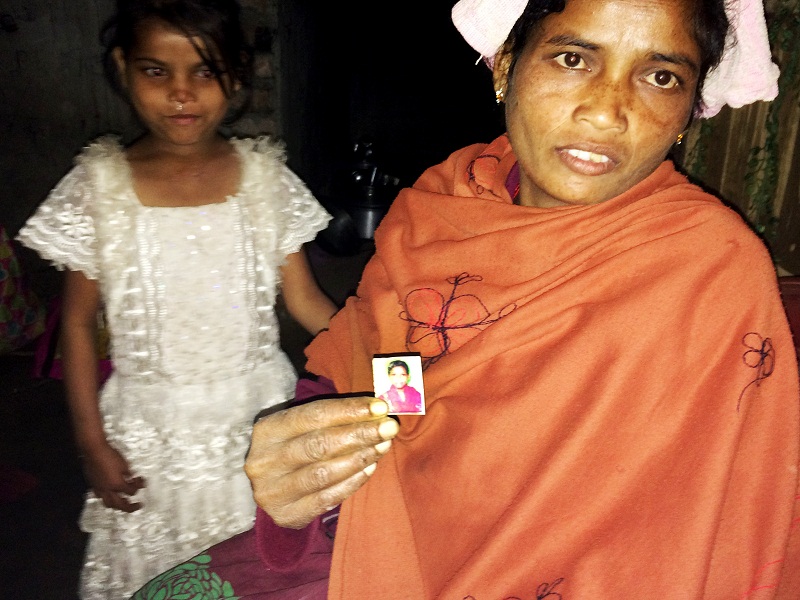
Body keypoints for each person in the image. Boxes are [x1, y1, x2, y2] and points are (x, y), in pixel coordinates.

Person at [131, 0, 800, 598]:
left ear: (689, 110)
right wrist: (301, 470)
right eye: (573, 59)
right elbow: (382, 385)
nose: (606, 111)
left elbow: (731, 514)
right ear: (506, 65)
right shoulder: (440, 209)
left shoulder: (707, 266)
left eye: (660, 76)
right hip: (394, 526)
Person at [15, 0, 338, 597]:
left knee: (251, 566)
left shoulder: (265, 179)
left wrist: (382, 349)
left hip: (254, 421)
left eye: (204, 71)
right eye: (156, 71)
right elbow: (77, 325)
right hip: (149, 434)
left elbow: (306, 302)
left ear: (236, 76)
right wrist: (91, 441)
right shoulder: (98, 185)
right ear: (123, 68)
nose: (181, 93)